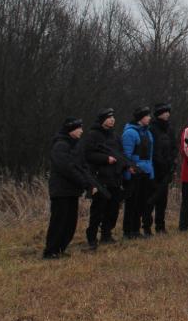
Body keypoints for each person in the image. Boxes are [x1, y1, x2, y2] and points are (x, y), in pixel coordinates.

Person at [44, 118, 99, 259]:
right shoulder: (60, 145)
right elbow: (67, 169)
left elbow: (82, 166)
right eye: (78, 128)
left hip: (71, 191)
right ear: (71, 130)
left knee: (70, 223)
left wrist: (91, 182)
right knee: (59, 222)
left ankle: (61, 249)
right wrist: (85, 184)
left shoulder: (75, 145)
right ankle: (51, 251)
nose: (81, 130)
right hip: (61, 191)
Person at [83, 108, 135, 249]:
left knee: (113, 208)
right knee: (98, 209)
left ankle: (106, 234)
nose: (112, 120)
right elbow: (88, 155)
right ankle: (92, 237)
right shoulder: (93, 135)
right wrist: (106, 159)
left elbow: (121, 154)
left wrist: (127, 166)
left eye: (113, 117)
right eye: (109, 117)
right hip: (100, 178)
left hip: (115, 178)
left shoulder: (115, 136)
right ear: (102, 120)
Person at [122, 106, 155, 239]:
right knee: (131, 203)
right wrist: (128, 173)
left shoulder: (148, 133)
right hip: (134, 174)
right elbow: (126, 156)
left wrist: (151, 171)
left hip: (146, 172)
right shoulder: (129, 133)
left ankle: (136, 230)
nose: (149, 118)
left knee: (141, 203)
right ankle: (127, 231)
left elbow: (150, 155)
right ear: (141, 118)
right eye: (147, 116)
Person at [148, 103, 176, 234]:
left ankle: (160, 226)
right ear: (159, 113)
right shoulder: (152, 128)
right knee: (152, 198)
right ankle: (147, 226)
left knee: (163, 200)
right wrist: (160, 162)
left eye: (168, 112)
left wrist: (172, 163)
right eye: (165, 112)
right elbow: (152, 149)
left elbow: (173, 147)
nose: (168, 114)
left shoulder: (170, 128)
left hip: (166, 169)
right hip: (155, 169)